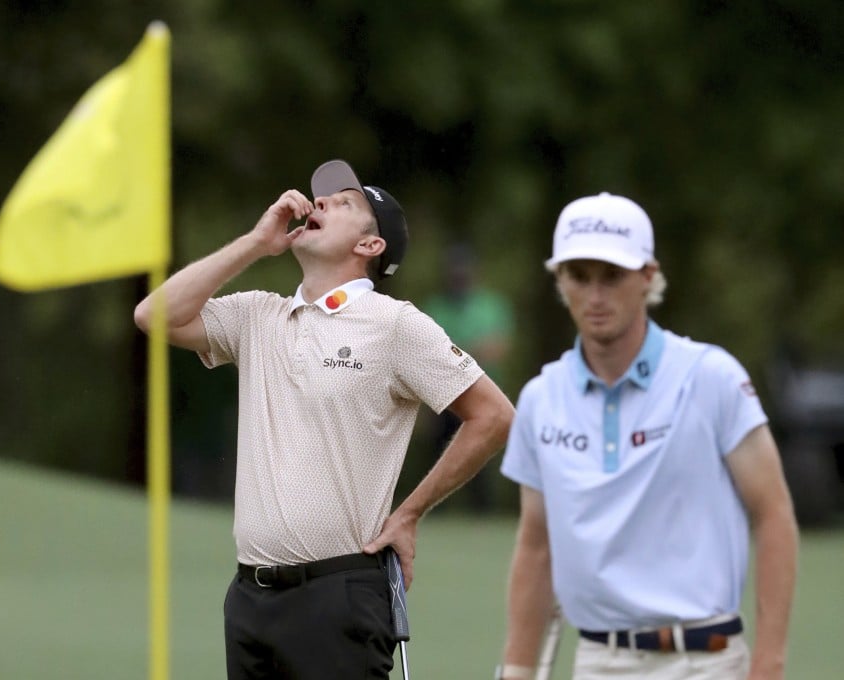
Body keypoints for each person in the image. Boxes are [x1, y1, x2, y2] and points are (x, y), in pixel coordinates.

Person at [135, 159, 514, 680]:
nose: (320, 203)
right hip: (249, 600)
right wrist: (255, 243)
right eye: (323, 198)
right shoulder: (257, 315)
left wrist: (409, 514)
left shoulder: (395, 324)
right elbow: (152, 316)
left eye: (344, 203)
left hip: (339, 597)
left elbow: (493, 416)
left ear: (370, 245)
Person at [497, 192, 798, 680]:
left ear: (648, 277)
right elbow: (536, 546)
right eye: (579, 276)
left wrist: (769, 664)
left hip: (706, 660)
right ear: (560, 281)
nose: (596, 296)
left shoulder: (711, 378)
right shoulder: (541, 398)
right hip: (598, 662)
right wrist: (516, 670)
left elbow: (773, 514)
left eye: (612, 276)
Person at [423, 243, 515, 512]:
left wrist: (454, 352)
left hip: (481, 393)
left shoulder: (491, 305)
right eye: (454, 270)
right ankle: (434, 510)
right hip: (443, 395)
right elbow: (426, 354)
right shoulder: (436, 305)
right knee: (438, 454)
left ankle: (482, 513)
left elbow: (498, 348)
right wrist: (471, 352)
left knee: (480, 458)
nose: (459, 275)